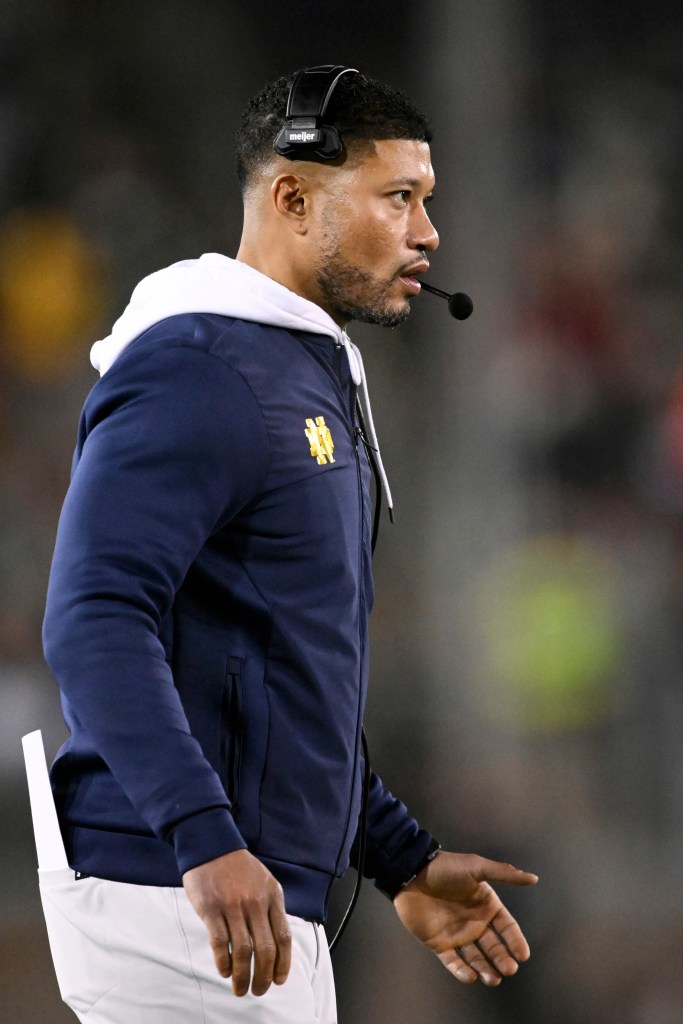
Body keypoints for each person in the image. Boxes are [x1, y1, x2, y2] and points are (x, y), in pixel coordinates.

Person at [40, 67, 538, 1024]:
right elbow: (93, 615)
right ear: (293, 196)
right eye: (399, 198)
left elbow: (280, 669)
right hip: (179, 897)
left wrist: (399, 856)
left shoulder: (295, 371)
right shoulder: (200, 365)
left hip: (239, 903)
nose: (428, 233)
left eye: (425, 200)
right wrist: (201, 838)